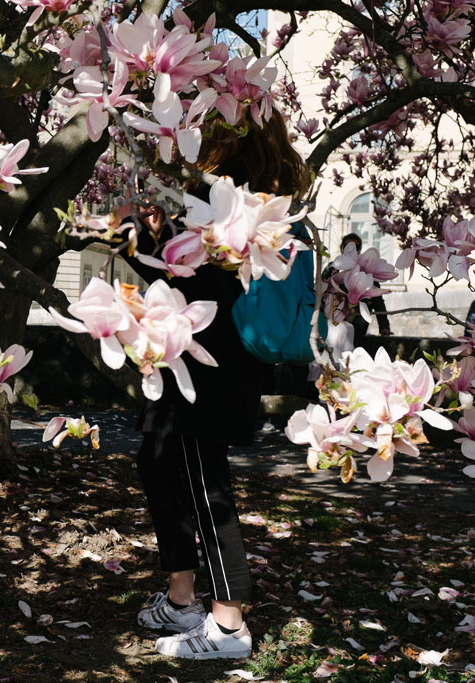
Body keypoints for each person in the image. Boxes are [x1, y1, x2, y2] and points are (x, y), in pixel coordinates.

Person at [128, 110, 312, 659]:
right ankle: (182, 597)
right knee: (158, 461)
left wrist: (133, 238)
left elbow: (184, 275)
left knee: (205, 486)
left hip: (209, 365)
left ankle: (229, 626)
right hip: (205, 360)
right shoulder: (257, 212)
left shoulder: (234, 212)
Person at [338, 233, 392, 339]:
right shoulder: (334, 269)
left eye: (355, 247)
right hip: (335, 320)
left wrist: (384, 328)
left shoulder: (369, 278)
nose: (351, 250)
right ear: (341, 248)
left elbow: (379, 305)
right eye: (347, 246)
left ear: (360, 250)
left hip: (358, 323)